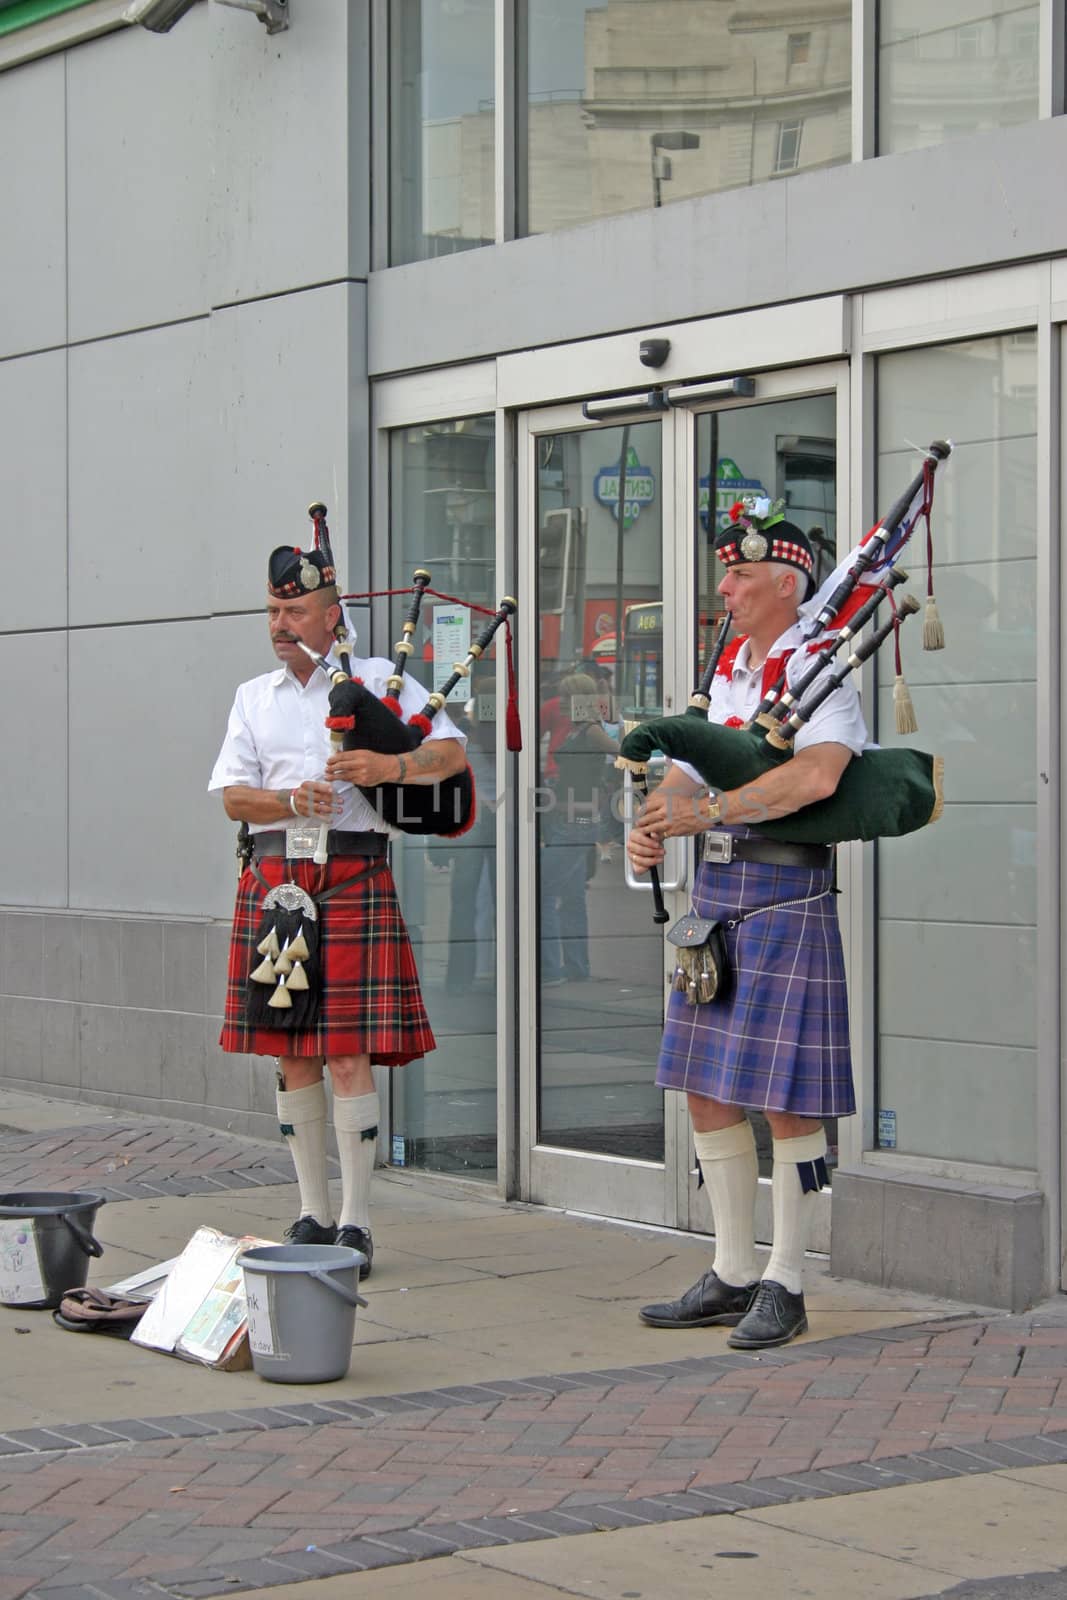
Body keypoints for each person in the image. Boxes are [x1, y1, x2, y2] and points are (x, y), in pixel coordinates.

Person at [628, 510, 867, 1350]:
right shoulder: (729, 672)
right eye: (724, 576)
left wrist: (715, 809)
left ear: (786, 585)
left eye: (737, 577)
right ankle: (732, 1270)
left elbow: (816, 775)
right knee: (706, 1087)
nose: (722, 590)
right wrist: (655, 821)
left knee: (785, 1101)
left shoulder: (820, 672)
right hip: (717, 891)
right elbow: (690, 778)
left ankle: (788, 1281)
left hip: (784, 891)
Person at [209, 543, 467, 1276]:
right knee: (291, 1050)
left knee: (347, 1052)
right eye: (272, 611)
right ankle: (310, 1212)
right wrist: (290, 800)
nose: (280, 624)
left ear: (331, 617)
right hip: (275, 877)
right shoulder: (252, 697)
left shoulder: (379, 680)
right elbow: (232, 796)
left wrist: (389, 767)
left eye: (294, 612)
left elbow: (448, 757)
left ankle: (355, 1222)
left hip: (353, 870)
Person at [541, 671, 618, 986]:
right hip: (570, 820)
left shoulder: (589, 731)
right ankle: (576, 966)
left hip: (576, 823)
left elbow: (621, 751)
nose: (561, 705)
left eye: (567, 698)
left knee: (542, 890)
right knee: (571, 896)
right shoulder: (580, 729)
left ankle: (550, 969)